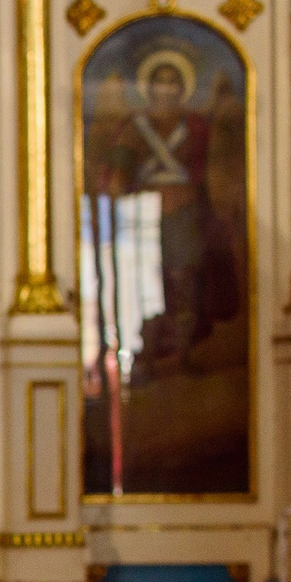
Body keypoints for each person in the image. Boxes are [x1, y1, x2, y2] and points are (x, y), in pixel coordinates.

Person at [95, 55, 239, 369]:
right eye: (160, 81)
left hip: (184, 211)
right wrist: (117, 178)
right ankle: (146, 353)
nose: (166, 88)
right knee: (144, 285)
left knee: (183, 281)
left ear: (181, 88)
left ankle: (184, 352)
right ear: (149, 87)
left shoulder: (194, 124)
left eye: (172, 82)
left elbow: (212, 161)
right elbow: (120, 160)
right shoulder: (136, 126)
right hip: (143, 213)